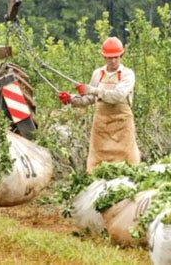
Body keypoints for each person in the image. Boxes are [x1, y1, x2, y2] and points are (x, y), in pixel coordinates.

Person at [58, 37, 140, 171]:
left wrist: (91, 89)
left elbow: (117, 96)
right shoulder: (97, 74)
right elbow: (89, 99)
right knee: (97, 161)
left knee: (128, 159)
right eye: (109, 57)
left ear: (121, 55)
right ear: (104, 57)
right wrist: (71, 99)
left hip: (122, 124)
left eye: (116, 57)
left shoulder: (127, 74)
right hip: (101, 124)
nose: (113, 61)